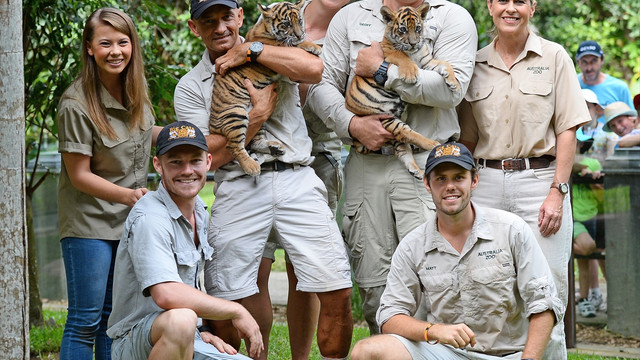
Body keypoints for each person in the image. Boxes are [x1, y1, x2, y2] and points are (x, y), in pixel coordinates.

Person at [173, 1, 354, 359]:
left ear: (241, 17)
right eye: (209, 21)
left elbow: (315, 69)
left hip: (297, 176)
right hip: (238, 182)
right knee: (224, 297)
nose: (220, 27)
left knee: (337, 289)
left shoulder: (270, 49)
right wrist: (255, 117)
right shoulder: (191, 86)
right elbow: (202, 159)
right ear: (195, 28)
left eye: (226, 17)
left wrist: (253, 49)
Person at [306, 0, 478, 334]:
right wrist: (351, 124)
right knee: (374, 288)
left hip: (428, 165)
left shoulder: (451, 16)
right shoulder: (351, 16)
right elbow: (319, 83)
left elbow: (449, 91)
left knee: (437, 282)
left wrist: (384, 71)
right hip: (366, 164)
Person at [457, 0, 590, 358]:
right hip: (485, 183)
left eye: (520, 1)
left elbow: (567, 129)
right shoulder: (475, 62)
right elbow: (467, 139)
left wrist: (557, 192)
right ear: (489, 6)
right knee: (486, 292)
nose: (510, 8)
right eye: (502, 1)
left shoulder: (555, 56)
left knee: (546, 293)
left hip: (540, 185)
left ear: (532, 7)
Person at [350, 142, 563, 360]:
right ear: (427, 184)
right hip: (447, 353)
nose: (450, 186)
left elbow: (543, 305)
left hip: (510, 355)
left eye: (459, 177)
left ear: (475, 181)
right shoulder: (412, 246)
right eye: (441, 179)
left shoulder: (511, 230)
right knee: (366, 352)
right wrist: (434, 330)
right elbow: (389, 317)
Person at [107, 121, 263, 360]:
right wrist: (236, 310)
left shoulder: (199, 211)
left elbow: (188, 284)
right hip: (136, 341)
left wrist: (202, 331)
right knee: (182, 320)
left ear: (208, 162)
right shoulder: (150, 217)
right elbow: (167, 294)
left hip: (184, 333)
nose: (187, 170)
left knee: (187, 323)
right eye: (176, 162)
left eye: (195, 161)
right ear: (158, 165)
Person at [56, 7, 159, 359]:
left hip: (127, 222)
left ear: (132, 46)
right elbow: (79, 175)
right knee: (85, 319)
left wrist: (185, 137)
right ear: (89, 48)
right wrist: (132, 196)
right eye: (105, 43)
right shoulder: (76, 104)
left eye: (122, 42)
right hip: (89, 224)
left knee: (112, 319)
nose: (115, 51)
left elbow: (143, 137)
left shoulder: (135, 92)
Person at [256, 0, 351, 358]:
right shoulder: (281, 14)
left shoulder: (355, 26)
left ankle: (300, 357)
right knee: (257, 266)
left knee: (306, 269)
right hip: (268, 152)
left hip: (320, 151)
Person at [572, 90, 609, 318]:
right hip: (575, 219)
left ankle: (587, 298)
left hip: (593, 216)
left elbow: (601, 198)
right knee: (586, 248)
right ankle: (585, 297)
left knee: (590, 255)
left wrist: (594, 184)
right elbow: (568, 165)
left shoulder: (593, 164)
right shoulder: (561, 163)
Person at [576, 40, 634, 121]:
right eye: (584, 62)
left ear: (602, 59)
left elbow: (632, 121)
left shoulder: (620, 87)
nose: (589, 68)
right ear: (578, 62)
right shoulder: (572, 84)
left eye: (594, 61)